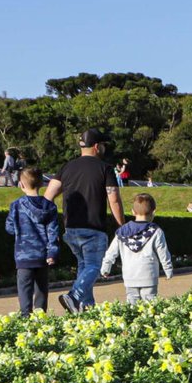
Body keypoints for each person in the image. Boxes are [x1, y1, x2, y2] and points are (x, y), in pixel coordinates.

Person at [46, 129, 124, 314]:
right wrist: (121, 224)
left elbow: (49, 196)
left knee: (83, 266)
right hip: (93, 228)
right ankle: (74, 295)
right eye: (103, 145)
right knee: (94, 267)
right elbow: (113, 198)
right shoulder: (105, 168)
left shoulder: (67, 167)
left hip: (71, 228)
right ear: (97, 147)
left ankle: (86, 309)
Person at [5, 166, 61, 315]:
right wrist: (52, 252)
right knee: (42, 288)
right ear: (42, 183)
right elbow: (53, 232)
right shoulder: (50, 207)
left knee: (24, 288)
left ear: (21, 184)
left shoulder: (16, 206)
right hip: (42, 255)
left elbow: (9, 228)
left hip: (23, 255)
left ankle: (25, 316)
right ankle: (40, 316)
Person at [101, 193, 174, 303]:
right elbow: (163, 252)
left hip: (130, 276)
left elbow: (111, 252)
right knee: (150, 305)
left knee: (132, 303)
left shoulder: (122, 232)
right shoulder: (156, 231)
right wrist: (168, 269)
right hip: (149, 276)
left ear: (133, 212)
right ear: (154, 212)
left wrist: (105, 268)